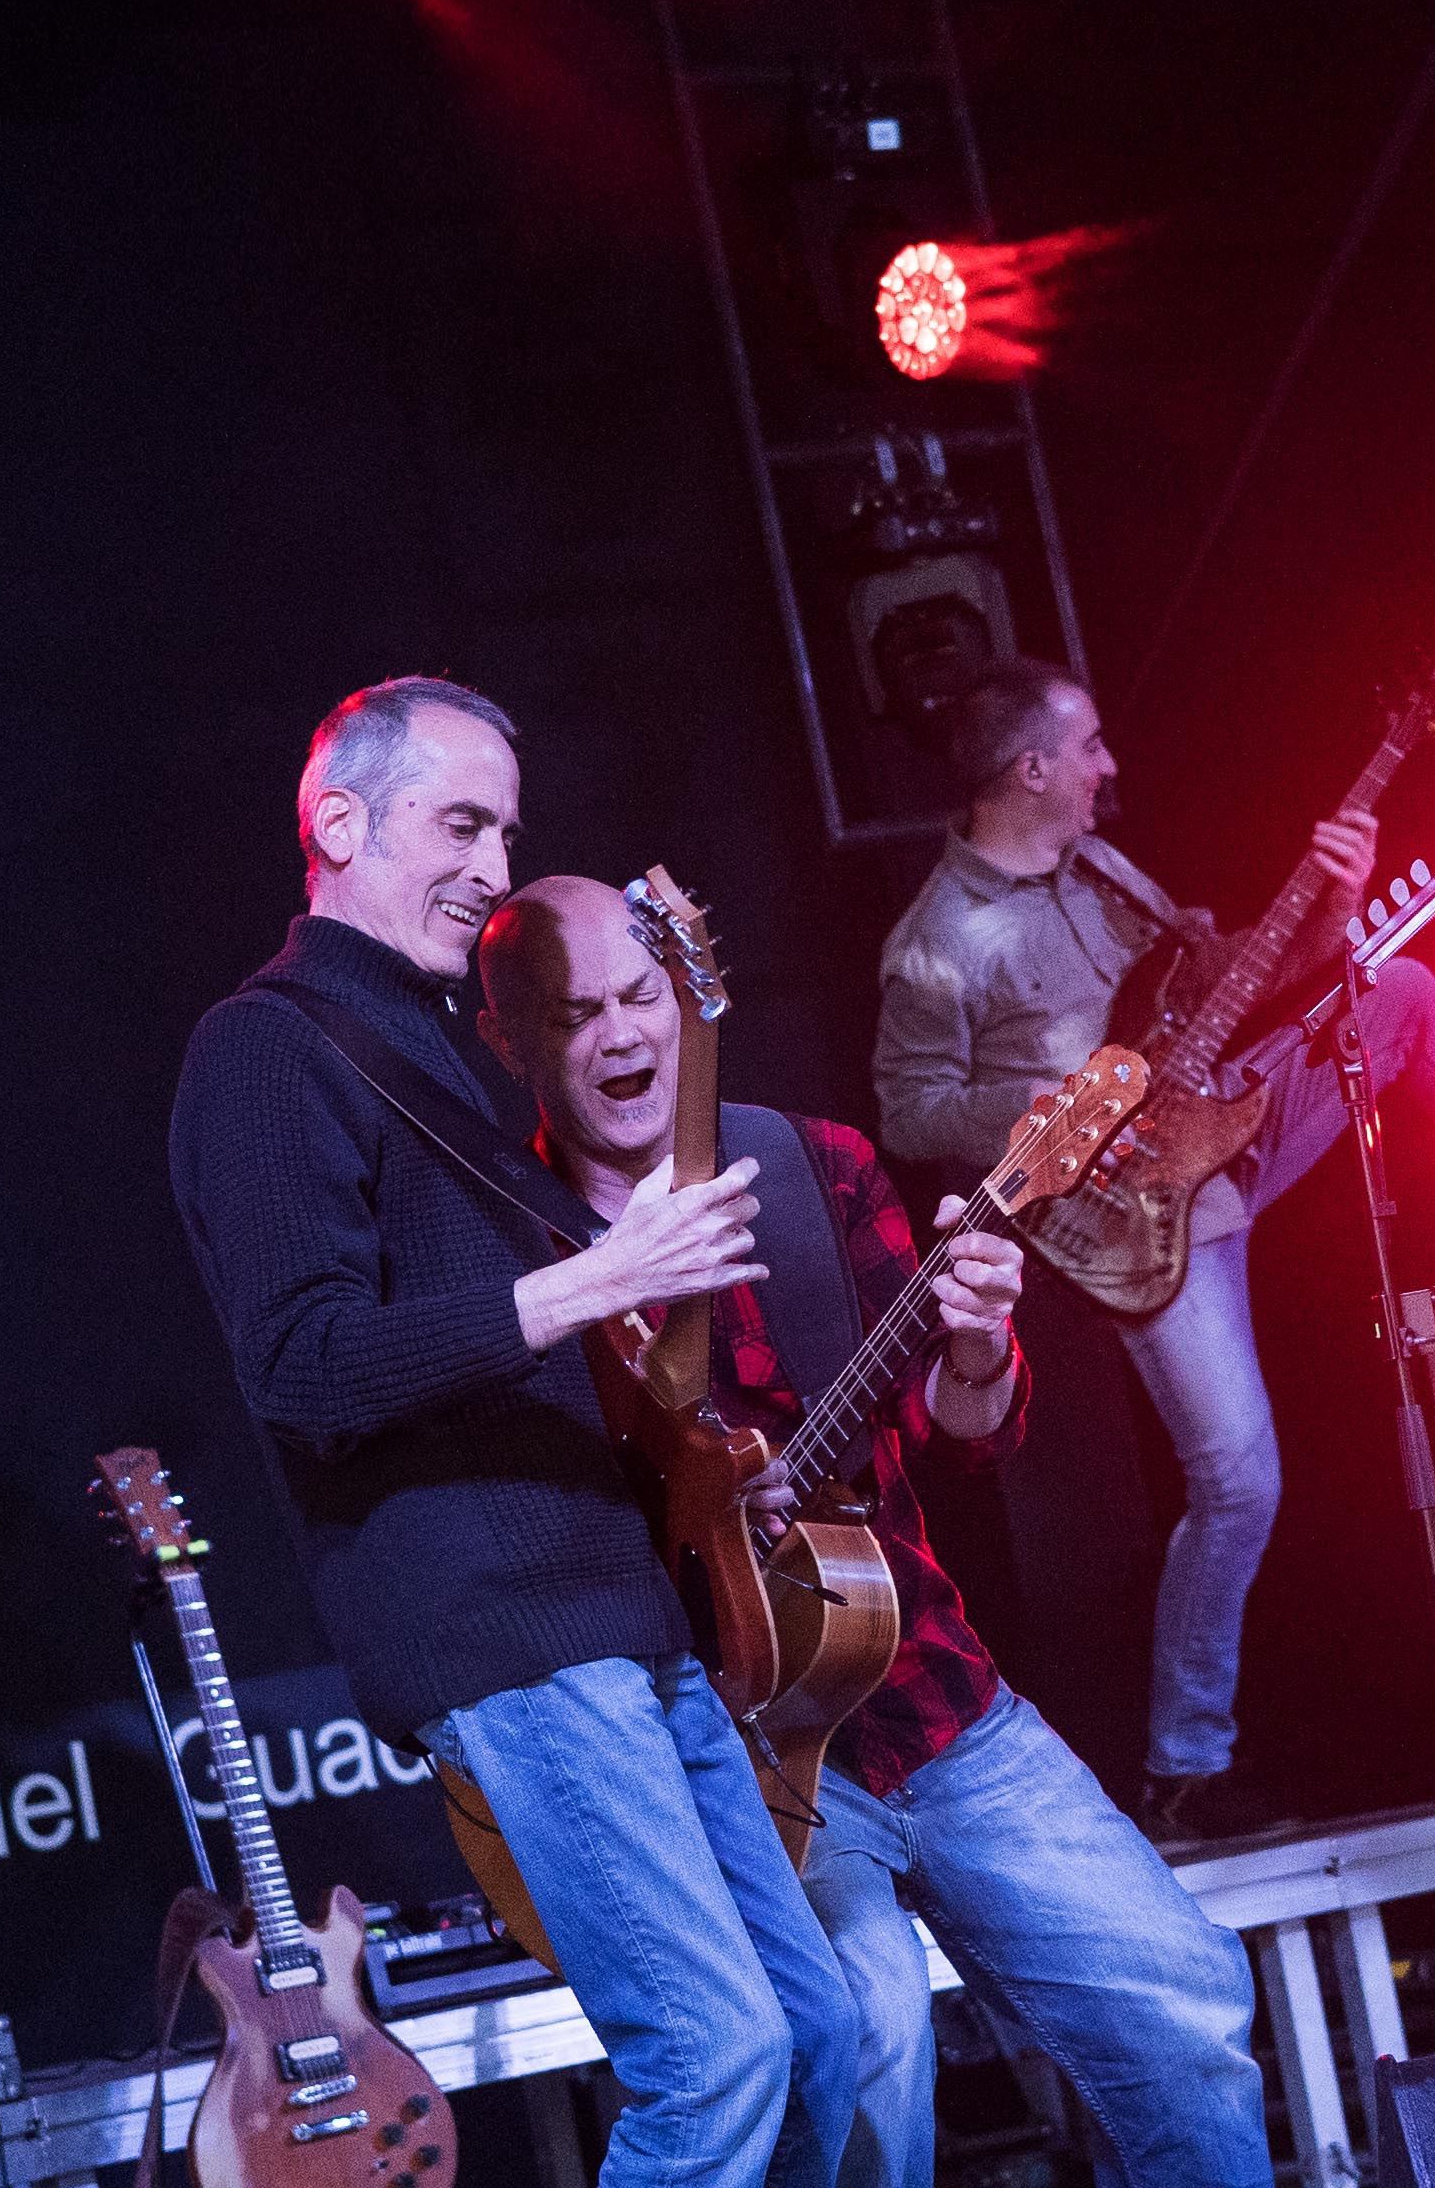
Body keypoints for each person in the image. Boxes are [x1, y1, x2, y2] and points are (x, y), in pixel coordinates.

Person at [167, 679, 856, 2188]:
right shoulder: (268, 1049)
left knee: (820, 2030)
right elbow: (303, 1363)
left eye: (505, 829)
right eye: (459, 822)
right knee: (717, 2055)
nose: (492, 866)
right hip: (512, 1636)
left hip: (625, 1617)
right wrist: (588, 1281)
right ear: (339, 823)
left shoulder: (430, 1055)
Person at [482, 875, 1272, 2188]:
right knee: (865, 2043)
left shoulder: (808, 1168)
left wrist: (977, 1343)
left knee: (1183, 2000)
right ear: (509, 1042)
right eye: (577, 1018)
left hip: (927, 1697)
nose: (624, 1038)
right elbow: (518, 1544)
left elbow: (968, 1426)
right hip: (738, 1754)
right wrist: (703, 1531)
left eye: (641, 998)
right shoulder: (512, 1251)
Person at [872, 661, 1435, 1838]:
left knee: (1405, 985)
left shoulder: (1105, 867)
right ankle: (1187, 1766)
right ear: (1031, 770)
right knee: (1241, 1478)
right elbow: (911, 1109)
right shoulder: (937, 940)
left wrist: (1331, 903)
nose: (1108, 766)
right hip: (1130, 1209)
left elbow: (1221, 980)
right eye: (1090, 747)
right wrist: (1049, 1106)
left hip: (1227, 1120)